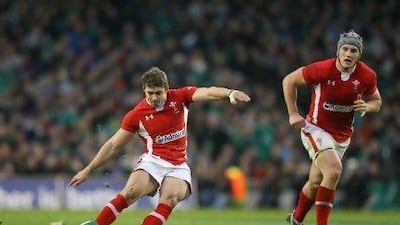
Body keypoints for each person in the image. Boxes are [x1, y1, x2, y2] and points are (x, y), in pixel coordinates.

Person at [69, 66, 251, 225]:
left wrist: (230, 93)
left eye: (158, 92)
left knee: (170, 198)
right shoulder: (137, 114)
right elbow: (113, 145)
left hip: (178, 166)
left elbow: (209, 91)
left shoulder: (180, 97)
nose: (154, 97)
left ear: (166, 88)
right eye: (150, 93)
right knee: (130, 193)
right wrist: (88, 169)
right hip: (152, 161)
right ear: (144, 90)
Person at [282, 30, 382, 225]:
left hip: (342, 136)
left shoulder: (367, 76)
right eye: (345, 49)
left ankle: (296, 219)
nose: (348, 54)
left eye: (353, 50)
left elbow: (377, 101)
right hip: (316, 128)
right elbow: (289, 80)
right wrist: (293, 113)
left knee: (315, 183)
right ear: (338, 51)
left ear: (359, 54)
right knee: (334, 170)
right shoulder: (322, 69)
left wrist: (367, 106)